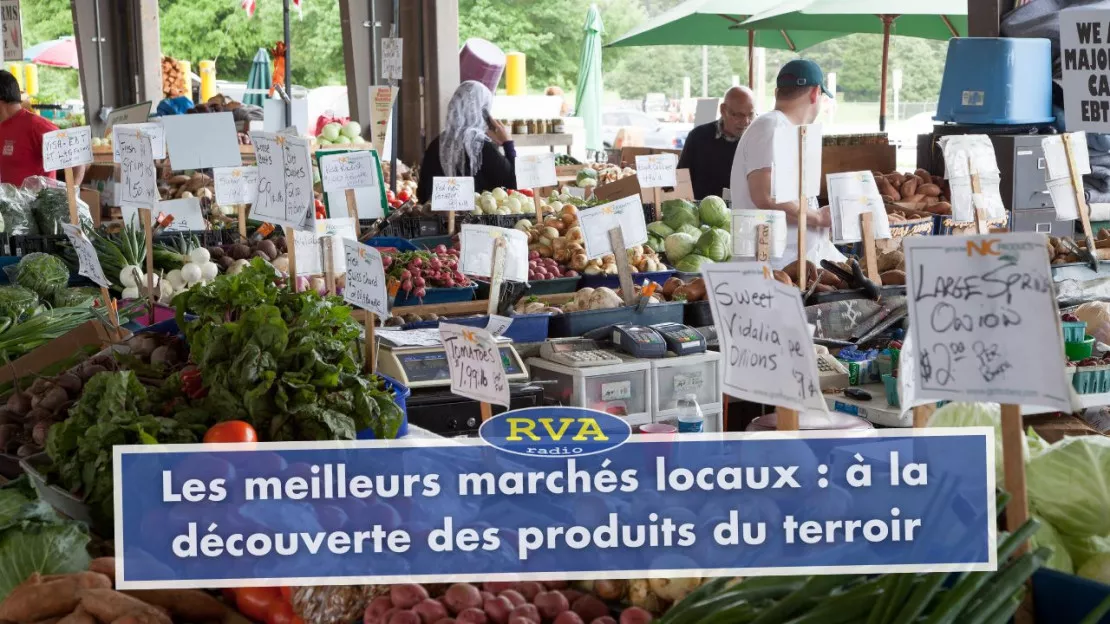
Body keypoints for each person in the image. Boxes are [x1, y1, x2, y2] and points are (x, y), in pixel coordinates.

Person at [729, 59, 835, 270]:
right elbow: (765, 195)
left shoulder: (783, 128)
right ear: (815, 93)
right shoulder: (771, 126)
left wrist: (817, 218)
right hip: (773, 268)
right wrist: (817, 218)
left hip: (790, 265)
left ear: (778, 92)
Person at [417, 81, 516, 202]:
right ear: (483, 112)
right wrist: (508, 143)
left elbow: (422, 194)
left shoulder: (436, 144)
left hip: (438, 219)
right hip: (476, 219)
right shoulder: (479, 145)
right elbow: (513, 182)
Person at [0, 71, 85, 187]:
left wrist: (71, 195)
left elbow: (77, 159)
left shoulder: (37, 126)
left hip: (38, 203)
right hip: (8, 204)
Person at [677, 86, 755, 199]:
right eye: (739, 115)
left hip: (741, 212)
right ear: (723, 110)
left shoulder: (754, 141)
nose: (746, 122)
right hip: (700, 211)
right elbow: (682, 178)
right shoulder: (698, 137)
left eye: (751, 115)